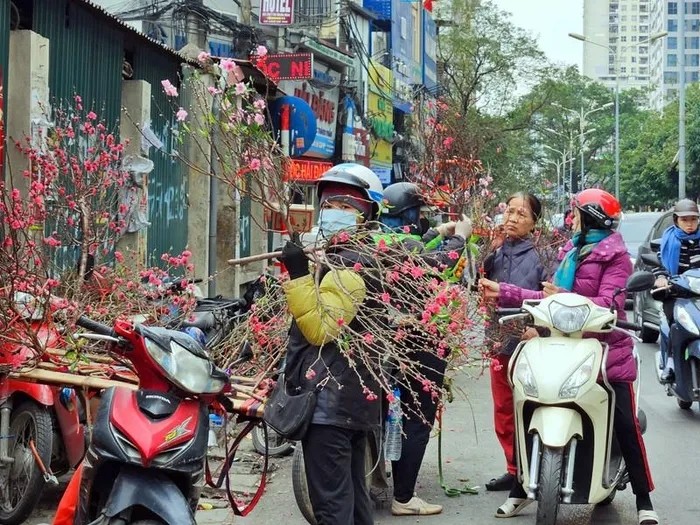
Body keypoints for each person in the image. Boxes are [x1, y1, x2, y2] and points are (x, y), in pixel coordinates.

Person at [480, 189, 659, 525]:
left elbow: (609, 303)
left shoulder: (616, 258)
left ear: (591, 217)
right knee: (526, 402)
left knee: (625, 422)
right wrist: (503, 291)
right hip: (563, 345)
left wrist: (565, 295)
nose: (571, 219)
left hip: (607, 353)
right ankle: (520, 487)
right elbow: (545, 297)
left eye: (576, 214)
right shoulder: (569, 251)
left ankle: (644, 498)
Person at [279, 163, 385, 525]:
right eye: (330, 205)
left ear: (367, 216)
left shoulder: (352, 267)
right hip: (348, 403)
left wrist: (296, 276)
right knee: (354, 505)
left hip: (331, 404)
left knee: (333, 510)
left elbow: (321, 329)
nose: (335, 214)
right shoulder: (337, 258)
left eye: (347, 208)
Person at [377, 182, 472, 516]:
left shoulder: (377, 238)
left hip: (384, 341)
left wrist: (438, 231)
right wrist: (459, 237)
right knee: (418, 415)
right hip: (419, 341)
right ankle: (403, 498)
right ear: (410, 214)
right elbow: (436, 262)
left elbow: (418, 247)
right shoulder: (403, 246)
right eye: (420, 215)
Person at [480, 192, 549, 492]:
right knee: (504, 410)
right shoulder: (495, 250)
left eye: (522, 213)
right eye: (509, 211)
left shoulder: (544, 254)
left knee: (530, 408)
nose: (513, 218)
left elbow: (551, 297)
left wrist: (539, 330)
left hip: (529, 341)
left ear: (534, 222)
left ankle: (537, 471)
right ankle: (514, 467)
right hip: (499, 339)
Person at [653, 198, 700, 383]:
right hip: (677, 293)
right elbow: (660, 265)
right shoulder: (669, 241)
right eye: (685, 220)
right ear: (676, 221)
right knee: (675, 323)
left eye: (693, 220)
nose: (690, 224)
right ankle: (671, 363)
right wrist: (662, 278)